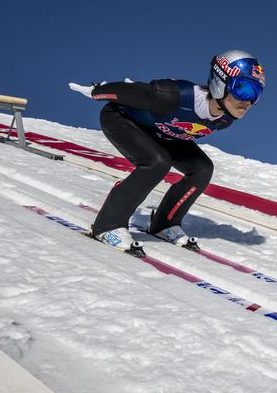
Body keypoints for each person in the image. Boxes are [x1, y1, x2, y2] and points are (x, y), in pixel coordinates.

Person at [69, 49, 265, 257]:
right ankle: (107, 225)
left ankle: (164, 223)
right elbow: (130, 92)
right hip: (121, 119)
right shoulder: (174, 95)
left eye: (256, 95)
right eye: (243, 90)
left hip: (162, 131)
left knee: (202, 169)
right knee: (157, 162)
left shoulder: (225, 119)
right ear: (220, 83)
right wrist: (97, 91)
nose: (248, 102)